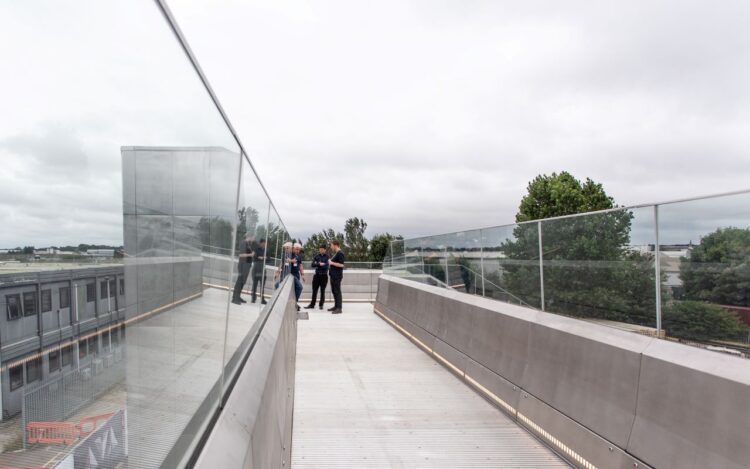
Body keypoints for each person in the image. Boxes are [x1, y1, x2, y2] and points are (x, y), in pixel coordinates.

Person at [231, 232, 255, 305]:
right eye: (253, 237)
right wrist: (251, 254)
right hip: (243, 265)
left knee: (243, 281)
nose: (254, 238)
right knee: (240, 280)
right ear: (249, 236)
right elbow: (241, 255)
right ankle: (234, 298)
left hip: (247, 265)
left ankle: (238, 296)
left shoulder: (248, 244)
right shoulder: (243, 243)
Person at [305, 244, 329, 310]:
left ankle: (321, 305)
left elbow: (326, 266)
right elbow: (312, 265)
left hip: (324, 276)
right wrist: (319, 264)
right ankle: (312, 304)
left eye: (322, 249)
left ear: (325, 250)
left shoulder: (327, 257)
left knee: (322, 291)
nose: (321, 250)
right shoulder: (316, 256)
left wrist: (318, 265)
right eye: (320, 249)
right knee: (314, 290)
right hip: (317, 276)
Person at [328, 240, 345, 314]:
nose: (331, 247)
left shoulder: (340, 253)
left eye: (331, 245)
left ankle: (339, 308)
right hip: (333, 275)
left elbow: (342, 265)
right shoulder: (336, 253)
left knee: (337, 291)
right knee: (334, 291)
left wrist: (331, 262)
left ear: (335, 245)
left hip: (337, 276)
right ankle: (336, 306)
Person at [251, 238, 268, 304]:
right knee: (254, 284)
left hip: (263, 269)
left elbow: (269, 258)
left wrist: (264, 258)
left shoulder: (266, 250)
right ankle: (253, 298)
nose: (264, 245)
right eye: (263, 243)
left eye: (265, 243)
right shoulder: (256, 249)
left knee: (262, 286)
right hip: (256, 269)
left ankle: (262, 299)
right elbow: (254, 257)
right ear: (261, 243)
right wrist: (259, 257)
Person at [289, 243, 305, 311]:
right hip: (291, 275)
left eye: (299, 250)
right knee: (300, 287)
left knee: (295, 290)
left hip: (297, 274)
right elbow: (285, 261)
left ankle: (294, 303)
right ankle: (294, 303)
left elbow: (300, 265)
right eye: (296, 249)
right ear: (293, 248)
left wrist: (302, 274)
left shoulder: (298, 256)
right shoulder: (289, 254)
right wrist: (291, 261)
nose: (298, 251)